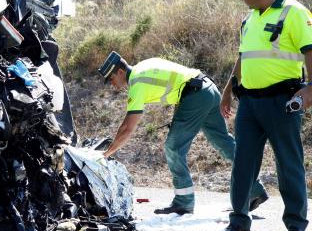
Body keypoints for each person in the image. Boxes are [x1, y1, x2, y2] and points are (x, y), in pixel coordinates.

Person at [97, 51, 267, 215]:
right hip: (207, 88)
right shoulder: (144, 66)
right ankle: (256, 189)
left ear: (120, 71)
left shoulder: (136, 82)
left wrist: (107, 153)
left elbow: (127, 128)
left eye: (111, 79)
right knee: (224, 143)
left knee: (173, 148)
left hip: (195, 95)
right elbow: (179, 83)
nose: (112, 84)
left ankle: (183, 201)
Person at [218, 0, 312, 231]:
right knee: (243, 163)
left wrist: (311, 89)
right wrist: (227, 90)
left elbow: (310, 52)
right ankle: (239, 221)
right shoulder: (248, 19)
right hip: (249, 102)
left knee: (288, 163)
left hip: (282, 101)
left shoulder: (294, 12)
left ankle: (295, 225)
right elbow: (243, 57)